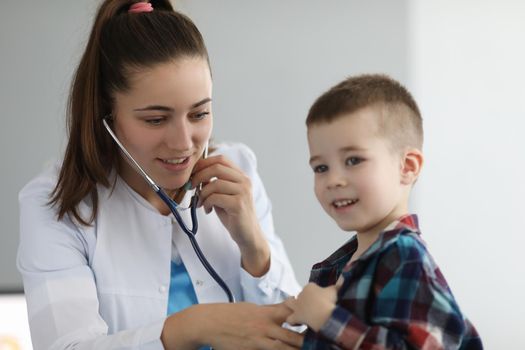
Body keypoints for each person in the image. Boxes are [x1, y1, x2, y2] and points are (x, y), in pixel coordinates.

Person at [16, 1, 302, 349]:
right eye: (155, 119)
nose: (183, 144)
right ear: (106, 115)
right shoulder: (55, 204)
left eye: (199, 115)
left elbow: (297, 335)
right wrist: (192, 326)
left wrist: (255, 250)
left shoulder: (238, 170)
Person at [284, 74, 483, 349]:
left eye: (353, 160)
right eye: (321, 168)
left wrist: (326, 318)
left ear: (407, 167)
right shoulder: (342, 266)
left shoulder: (405, 257)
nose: (333, 180)